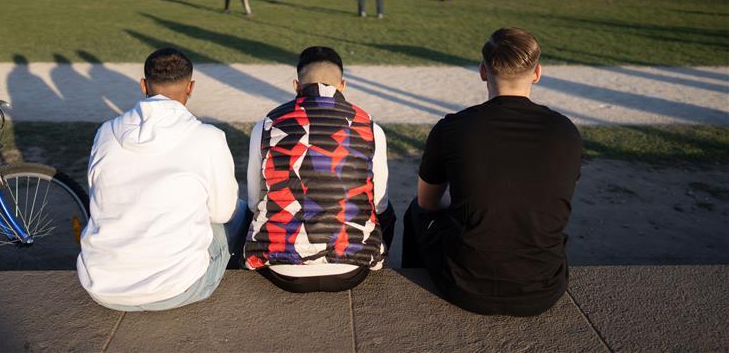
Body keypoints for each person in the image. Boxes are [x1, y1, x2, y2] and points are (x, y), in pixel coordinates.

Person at [403, 28, 581, 317]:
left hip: (464, 287)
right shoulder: (566, 131)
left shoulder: (452, 128)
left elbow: (427, 204)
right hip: (544, 287)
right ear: (537, 73)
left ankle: (410, 290)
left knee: (416, 212)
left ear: (483, 72)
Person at [77, 48, 246, 311]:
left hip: (101, 285)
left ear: (143, 85)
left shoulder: (106, 133)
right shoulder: (208, 137)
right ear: (190, 87)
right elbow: (223, 213)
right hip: (178, 288)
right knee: (240, 211)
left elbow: (97, 194)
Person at [244, 46, 395, 293]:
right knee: (388, 212)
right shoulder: (369, 126)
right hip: (351, 269)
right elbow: (379, 204)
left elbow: (253, 203)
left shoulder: (267, 124)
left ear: (296, 85)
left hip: (280, 268)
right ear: (342, 85)